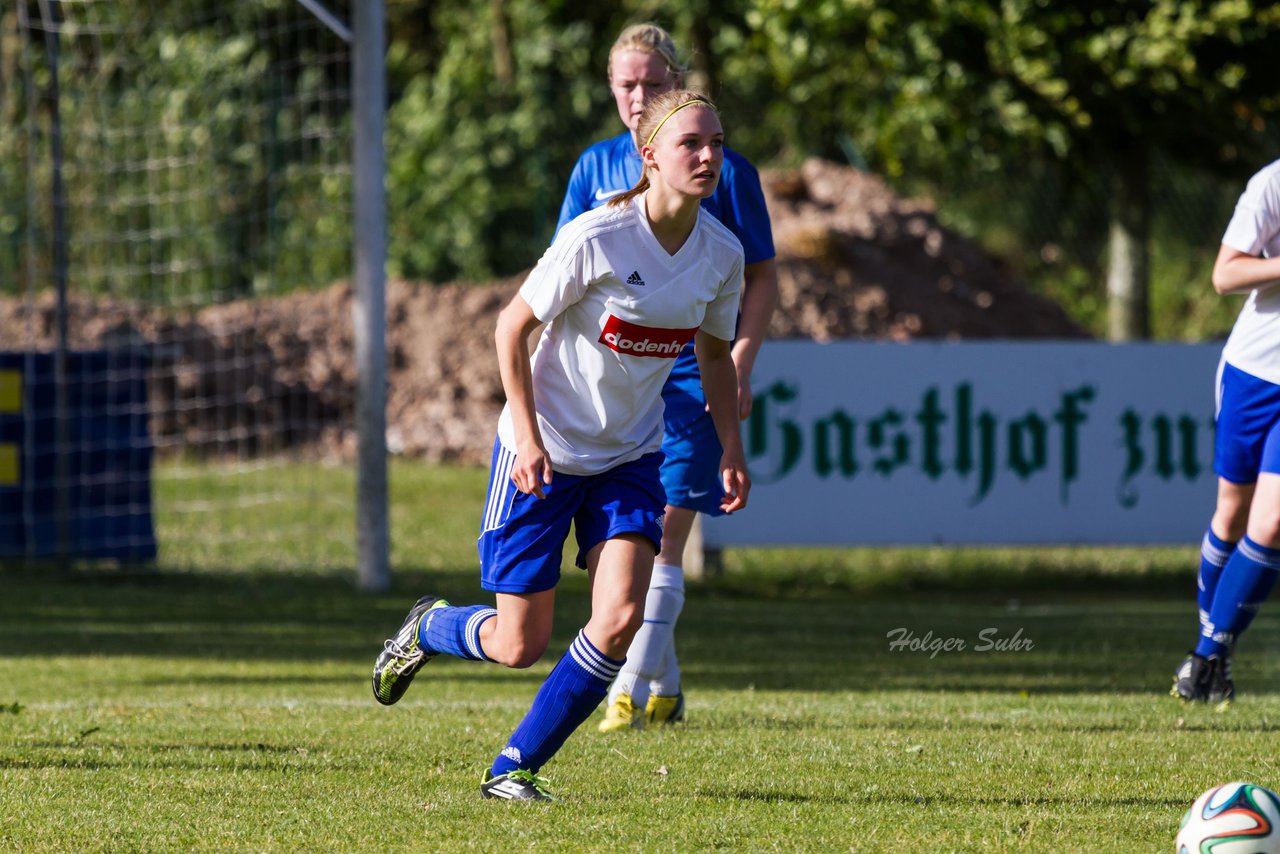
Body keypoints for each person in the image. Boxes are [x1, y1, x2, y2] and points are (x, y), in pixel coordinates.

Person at [371, 90, 750, 801]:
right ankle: (430, 626)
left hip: (631, 458)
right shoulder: (598, 235)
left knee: (620, 616)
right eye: (691, 144)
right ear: (650, 157)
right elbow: (510, 327)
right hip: (542, 451)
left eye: (717, 143)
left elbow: (715, 357)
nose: (708, 156)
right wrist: (528, 433)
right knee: (520, 645)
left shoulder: (720, 254)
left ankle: (513, 768)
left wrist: (730, 448)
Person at [556, 22, 778, 733]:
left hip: (688, 374)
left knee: (664, 532)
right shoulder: (593, 168)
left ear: (674, 85)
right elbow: (558, 276)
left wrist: (739, 358)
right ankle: (667, 684)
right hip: (613, 384)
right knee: (636, 548)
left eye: (654, 83)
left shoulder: (723, 168)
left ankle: (626, 686)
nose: (639, 95)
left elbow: (762, 274)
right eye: (627, 83)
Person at [1172, 157, 1280, 706]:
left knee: (1275, 518)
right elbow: (1226, 274)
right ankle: (1210, 653)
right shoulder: (1273, 182)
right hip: (1257, 373)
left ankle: (1208, 655)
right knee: (1232, 514)